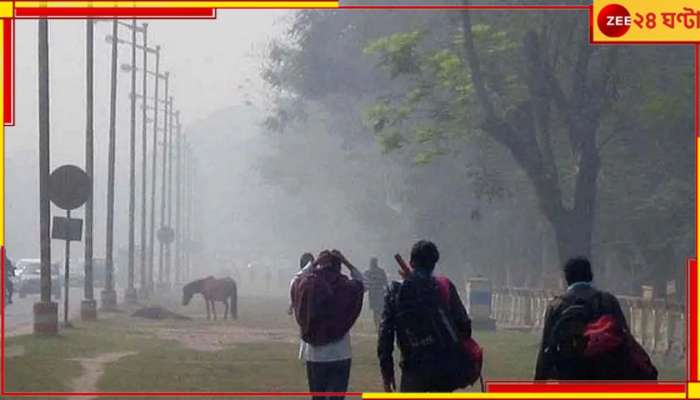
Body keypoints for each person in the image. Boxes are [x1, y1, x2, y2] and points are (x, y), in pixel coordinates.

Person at [378, 240, 473, 392]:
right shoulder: (444, 285)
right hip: (444, 369)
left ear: (411, 262)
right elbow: (464, 327)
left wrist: (386, 373)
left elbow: (385, 335)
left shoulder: (396, 290)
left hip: (413, 370)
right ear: (434, 263)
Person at [534, 257, 633, 380]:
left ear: (566, 278)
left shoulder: (557, 305)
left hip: (569, 374)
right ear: (590, 276)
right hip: (604, 373)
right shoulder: (608, 301)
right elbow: (626, 339)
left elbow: (546, 348)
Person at [290, 250, 364, 400]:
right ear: (338, 266)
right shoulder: (345, 286)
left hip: (315, 356)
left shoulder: (309, 286)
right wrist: (347, 262)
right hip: (340, 354)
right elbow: (362, 283)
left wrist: (314, 263)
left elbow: (294, 281)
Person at [364, 257, 388, 330]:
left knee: (379, 310)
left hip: (379, 293)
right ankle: (377, 325)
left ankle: (379, 324)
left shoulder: (380, 271)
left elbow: (385, 282)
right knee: (376, 311)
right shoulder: (368, 272)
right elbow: (365, 283)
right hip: (374, 294)